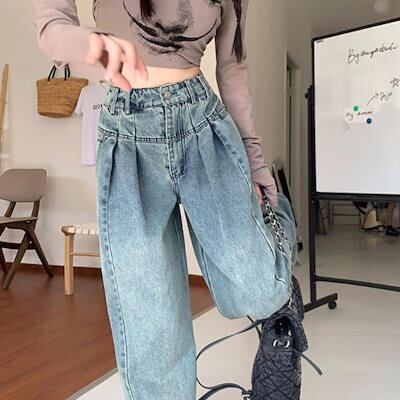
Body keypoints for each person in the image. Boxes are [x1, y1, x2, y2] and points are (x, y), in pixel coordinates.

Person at [33, 1, 290, 399]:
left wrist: (256, 167)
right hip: (126, 130)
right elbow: (51, 27)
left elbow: (231, 68)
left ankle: (281, 232)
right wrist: (92, 43)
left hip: (202, 120)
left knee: (258, 287)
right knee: (150, 319)